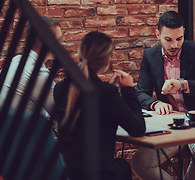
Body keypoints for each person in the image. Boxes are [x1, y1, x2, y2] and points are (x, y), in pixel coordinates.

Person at [131, 10, 195, 180]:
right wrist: (155, 104)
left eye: (179, 39)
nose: (174, 45)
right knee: (140, 162)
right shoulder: (150, 56)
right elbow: (141, 93)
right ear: (157, 34)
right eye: (168, 39)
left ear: (184, 33)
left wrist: (183, 84)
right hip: (172, 126)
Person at [54, 31, 145, 180]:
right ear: (108, 60)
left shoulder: (60, 88)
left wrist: (112, 90)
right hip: (98, 173)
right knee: (123, 166)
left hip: (68, 171)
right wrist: (128, 90)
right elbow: (138, 129)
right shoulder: (104, 93)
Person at [0, 16, 63, 116]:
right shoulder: (37, 72)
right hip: (23, 130)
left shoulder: (15, 61)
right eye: (58, 40)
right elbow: (60, 113)